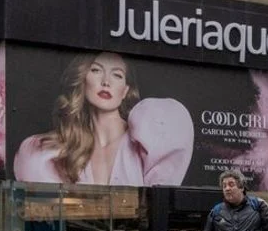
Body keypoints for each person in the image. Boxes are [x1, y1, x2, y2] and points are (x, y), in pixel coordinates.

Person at [14, 52, 194, 186]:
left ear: (125, 90)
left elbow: (158, 206)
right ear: (83, 80)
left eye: (117, 75)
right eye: (96, 70)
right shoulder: (57, 152)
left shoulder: (148, 138)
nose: (106, 81)